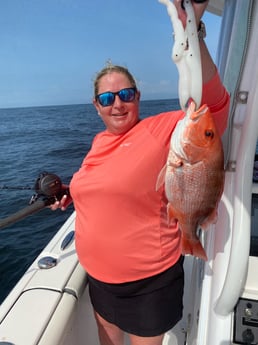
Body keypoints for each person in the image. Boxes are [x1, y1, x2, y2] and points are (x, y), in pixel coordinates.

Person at [51, 1, 230, 344]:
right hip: (99, 278)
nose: (117, 103)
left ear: (138, 96)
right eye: (107, 98)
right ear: (96, 106)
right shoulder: (98, 142)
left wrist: (192, 30)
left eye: (125, 94)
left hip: (149, 281)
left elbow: (215, 106)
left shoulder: (163, 130)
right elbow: (102, 183)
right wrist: (70, 193)